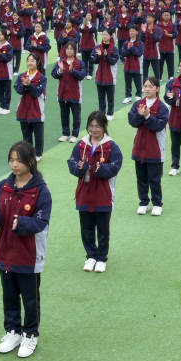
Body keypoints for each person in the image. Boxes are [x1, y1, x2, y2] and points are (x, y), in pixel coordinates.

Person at [0, 141, 51, 359]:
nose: (14, 164)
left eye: (18, 160)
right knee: (9, 295)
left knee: (30, 297)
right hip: (5, 251)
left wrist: (23, 224)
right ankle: (13, 331)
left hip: (29, 254)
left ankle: (30, 333)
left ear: (30, 161)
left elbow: (41, 222)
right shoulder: (2, 187)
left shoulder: (40, 191)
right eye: (11, 160)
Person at [67, 111, 123, 272]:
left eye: (97, 126)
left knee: (103, 229)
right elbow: (71, 162)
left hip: (103, 194)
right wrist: (79, 167)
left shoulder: (111, 146)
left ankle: (101, 257)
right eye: (91, 126)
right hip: (84, 193)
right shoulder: (81, 144)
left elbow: (115, 167)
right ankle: (90, 256)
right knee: (86, 227)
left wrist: (101, 169)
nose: (94, 129)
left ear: (104, 126)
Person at [129, 76, 169, 215]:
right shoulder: (137, 104)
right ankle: (143, 202)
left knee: (154, 179)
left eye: (150, 86)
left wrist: (147, 116)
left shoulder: (162, 107)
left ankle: (157, 204)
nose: (146, 89)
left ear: (157, 88)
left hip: (155, 149)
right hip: (139, 148)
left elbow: (158, 126)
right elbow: (132, 121)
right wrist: (140, 116)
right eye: (145, 86)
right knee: (141, 178)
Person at [51, 41, 86, 143]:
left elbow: (81, 75)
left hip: (75, 94)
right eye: (67, 48)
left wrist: (72, 71)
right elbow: (53, 74)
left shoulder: (79, 63)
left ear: (75, 51)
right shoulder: (61, 62)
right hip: (62, 93)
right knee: (64, 114)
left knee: (76, 115)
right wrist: (60, 71)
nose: (69, 50)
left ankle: (75, 134)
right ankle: (65, 133)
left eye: (71, 49)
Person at [14, 54, 47, 161]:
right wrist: (24, 85)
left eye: (32, 61)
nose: (30, 63)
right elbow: (18, 90)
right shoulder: (21, 76)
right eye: (28, 61)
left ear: (37, 62)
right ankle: (28, 153)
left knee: (38, 135)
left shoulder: (42, 78)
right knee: (26, 134)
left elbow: (37, 93)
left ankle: (38, 153)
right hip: (23, 110)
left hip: (36, 109)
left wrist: (29, 85)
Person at [93, 29, 118, 120]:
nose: (104, 36)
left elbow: (113, 61)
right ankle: (101, 113)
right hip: (99, 76)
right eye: (103, 34)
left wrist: (106, 55)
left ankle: (110, 113)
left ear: (110, 36)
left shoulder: (114, 48)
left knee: (110, 97)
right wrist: (98, 56)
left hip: (110, 77)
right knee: (101, 97)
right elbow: (94, 61)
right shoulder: (97, 47)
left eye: (106, 35)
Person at [119, 26, 143, 104]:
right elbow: (123, 54)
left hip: (136, 66)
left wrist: (131, 48)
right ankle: (128, 97)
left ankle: (138, 96)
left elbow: (139, 53)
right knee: (128, 82)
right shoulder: (126, 43)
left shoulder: (140, 43)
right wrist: (129, 49)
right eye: (130, 31)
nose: (131, 33)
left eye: (133, 31)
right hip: (127, 66)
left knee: (138, 82)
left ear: (137, 32)